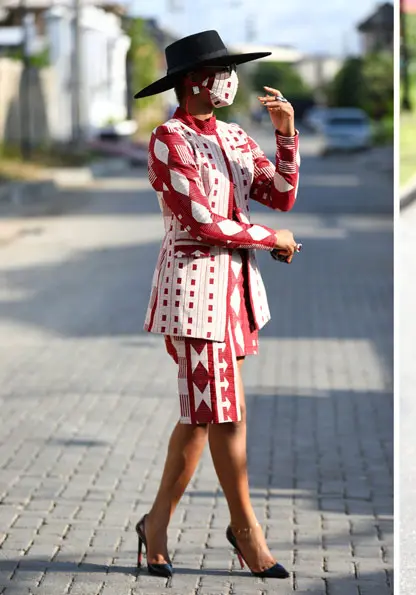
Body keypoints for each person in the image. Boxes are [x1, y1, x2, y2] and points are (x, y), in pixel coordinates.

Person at [131, 30, 302, 579]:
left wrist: (286, 136)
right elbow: (201, 221)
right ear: (191, 81)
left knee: (210, 416)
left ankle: (156, 524)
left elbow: (280, 194)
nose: (229, 79)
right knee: (221, 412)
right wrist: (270, 238)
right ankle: (245, 530)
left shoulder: (234, 136)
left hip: (236, 293)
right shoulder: (168, 139)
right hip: (192, 293)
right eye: (219, 70)